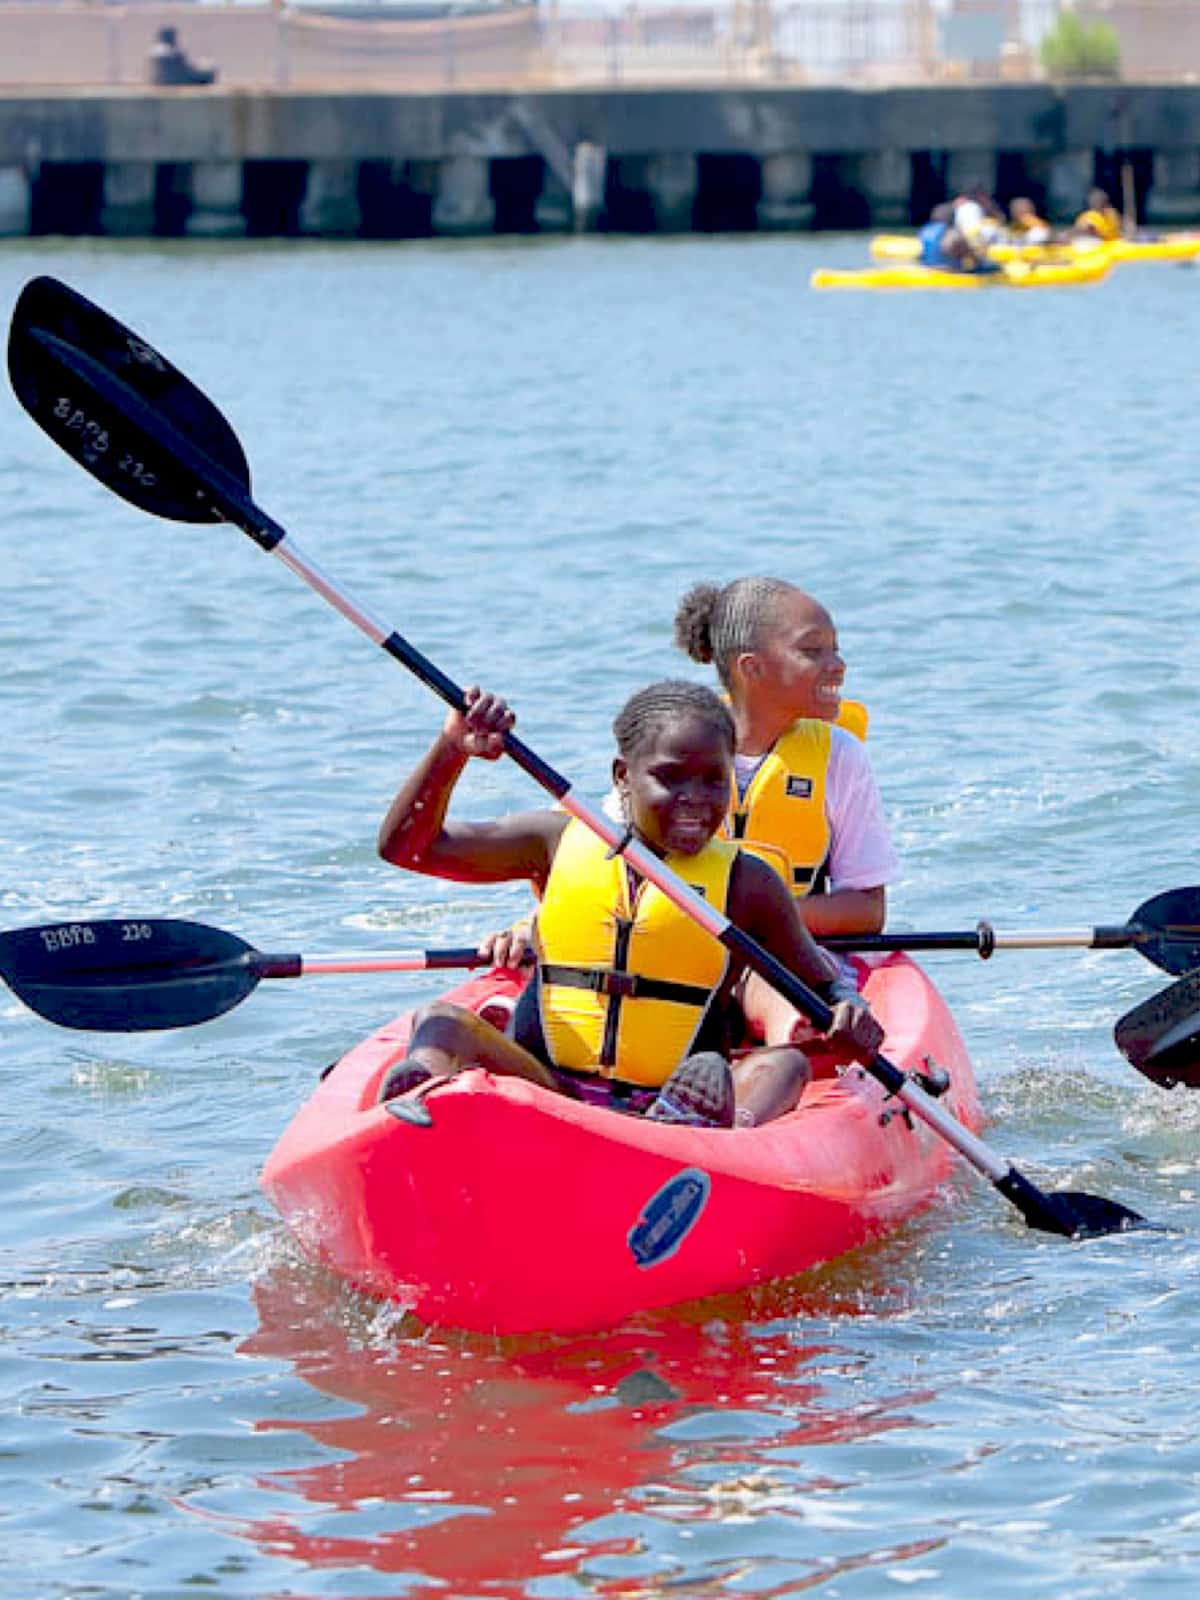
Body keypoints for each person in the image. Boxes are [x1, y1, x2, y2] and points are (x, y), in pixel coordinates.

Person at [376, 680, 884, 1128]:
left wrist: (849, 1013)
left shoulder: (748, 882)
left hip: (673, 1100)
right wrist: (452, 749)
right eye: (670, 778)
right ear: (623, 775)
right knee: (441, 1022)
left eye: (714, 780)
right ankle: (419, 1101)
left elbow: (822, 988)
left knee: (783, 1066)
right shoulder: (553, 842)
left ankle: (718, 1137)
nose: (696, 799)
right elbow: (409, 849)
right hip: (547, 1089)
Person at [673, 577, 900, 1052]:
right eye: (813, 651)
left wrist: (766, 919)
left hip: (786, 955)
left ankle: (786, 1057)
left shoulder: (840, 757)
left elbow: (866, 908)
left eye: (835, 649)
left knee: (777, 990)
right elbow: (598, 855)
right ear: (752, 668)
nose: (837, 665)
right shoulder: (672, 747)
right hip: (677, 946)